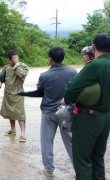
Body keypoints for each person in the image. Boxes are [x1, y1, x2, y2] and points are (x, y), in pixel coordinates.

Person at [18, 46, 77, 177]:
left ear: (50, 59)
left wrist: (22, 93)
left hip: (48, 113)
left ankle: (49, 171)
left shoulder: (44, 76)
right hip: (67, 113)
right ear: (63, 57)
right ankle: (79, 169)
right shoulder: (73, 72)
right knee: (71, 142)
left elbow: (40, 92)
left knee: (46, 142)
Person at [64, 33, 110, 180]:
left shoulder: (95, 65)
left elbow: (71, 88)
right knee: (98, 158)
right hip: (106, 117)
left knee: (83, 160)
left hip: (89, 118)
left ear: (94, 47)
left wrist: (67, 100)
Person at [0, 50, 28, 142]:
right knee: (10, 112)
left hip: (18, 94)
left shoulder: (23, 66)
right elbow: (0, 76)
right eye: (11, 60)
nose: (12, 61)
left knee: (20, 113)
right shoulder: (6, 67)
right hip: (8, 94)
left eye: (14, 59)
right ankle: (13, 129)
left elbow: (22, 74)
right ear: (8, 60)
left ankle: (23, 134)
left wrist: (16, 64)